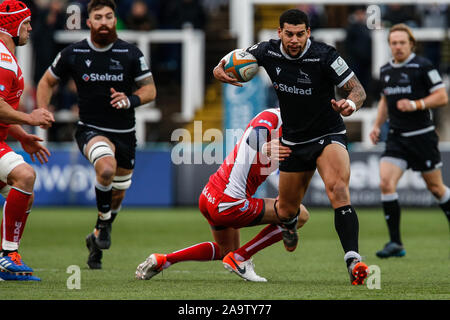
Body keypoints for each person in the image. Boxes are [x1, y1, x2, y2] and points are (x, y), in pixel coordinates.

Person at [214, 8, 369, 285]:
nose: (294, 40)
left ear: (308, 33)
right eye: (289, 34)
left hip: (327, 133)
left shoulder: (326, 55)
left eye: (300, 34)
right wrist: (220, 72)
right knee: (286, 211)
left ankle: (353, 260)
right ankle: (288, 227)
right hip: (293, 140)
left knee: (338, 189)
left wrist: (350, 104)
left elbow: (357, 89)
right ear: (279, 33)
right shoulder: (266, 51)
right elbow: (227, 63)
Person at [36, 0, 157, 269]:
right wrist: (43, 109)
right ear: (89, 22)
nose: (104, 22)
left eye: (109, 17)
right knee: (105, 170)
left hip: (125, 133)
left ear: (115, 20)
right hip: (91, 129)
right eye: (98, 17)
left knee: (117, 195)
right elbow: (47, 81)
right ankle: (103, 226)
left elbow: (150, 90)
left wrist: (130, 100)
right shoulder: (74, 52)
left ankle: (97, 235)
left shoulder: (130, 53)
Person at [135, 108, 310, 282]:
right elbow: (254, 137)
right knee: (299, 214)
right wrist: (265, 146)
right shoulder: (274, 116)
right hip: (229, 203)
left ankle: (164, 260)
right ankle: (241, 258)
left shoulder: (297, 135)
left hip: (210, 195)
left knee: (226, 251)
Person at [369, 23, 449, 258]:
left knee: (436, 189)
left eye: (402, 42)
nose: (398, 46)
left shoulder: (423, 66)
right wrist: (376, 126)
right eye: (394, 42)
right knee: (385, 183)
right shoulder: (385, 71)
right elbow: (385, 101)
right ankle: (395, 243)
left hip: (422, 137)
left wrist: (416, 104)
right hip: (396, 138)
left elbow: (442, 96)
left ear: (411, 44)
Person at [0, 0, 55, 281]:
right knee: (25, 175)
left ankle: (6, 257)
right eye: (27, 23)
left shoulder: (8, 58)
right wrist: (30, 119)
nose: (31, 28)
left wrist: (21, 136)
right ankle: (8, 254)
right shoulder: (1, 58)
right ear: (12, 25)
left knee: (22, 192)